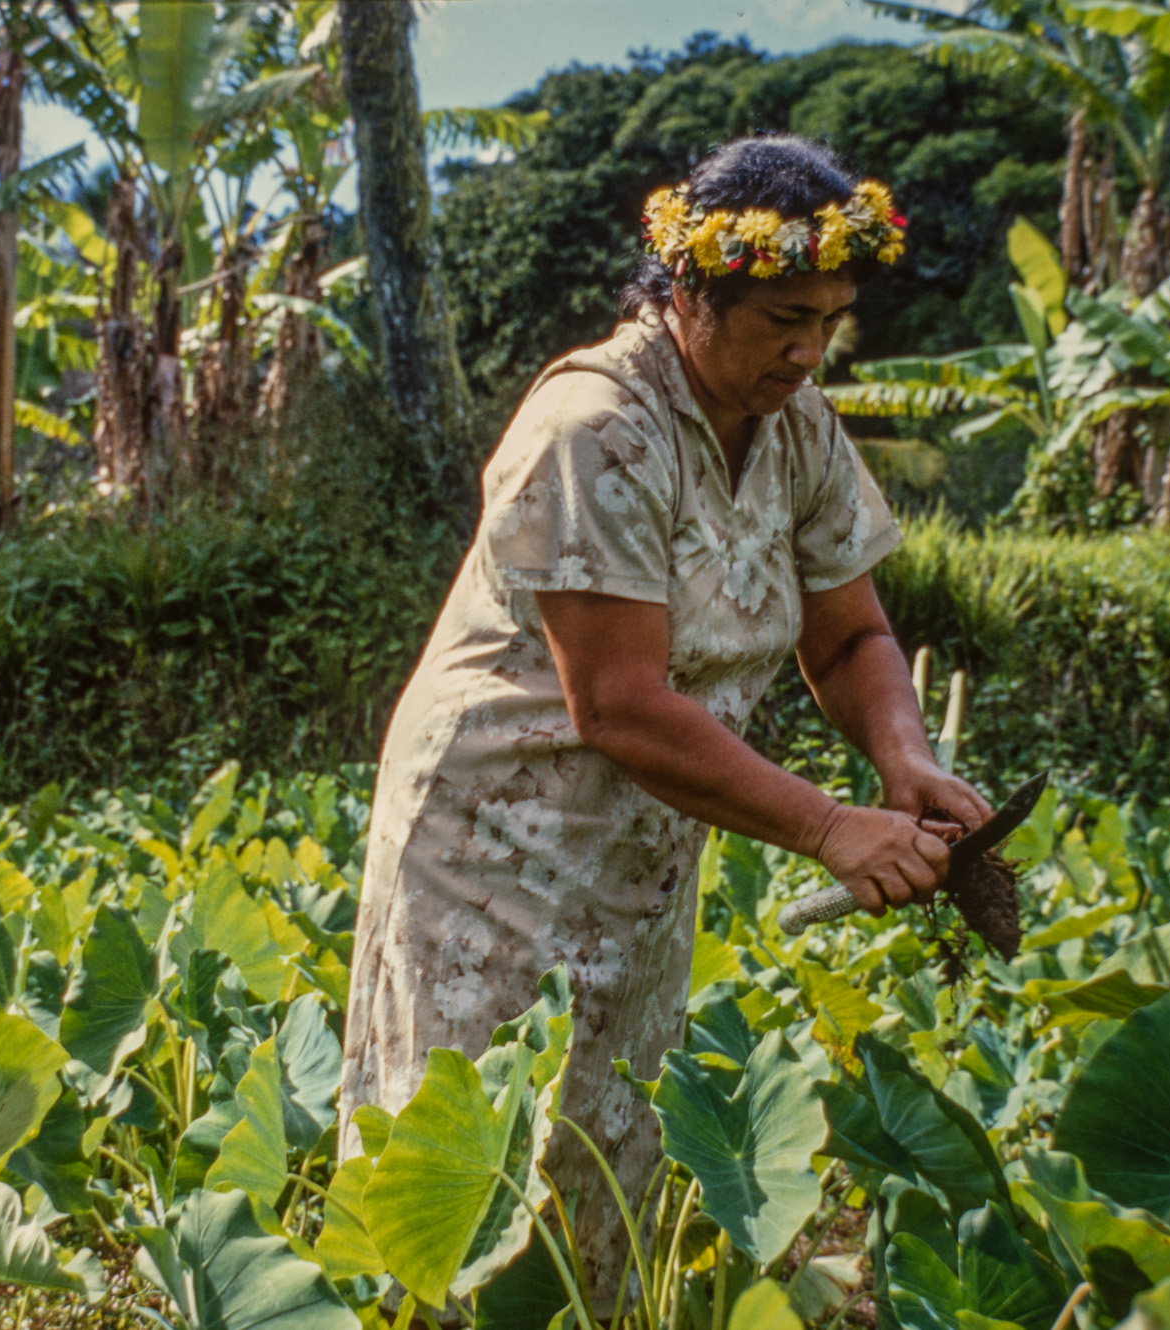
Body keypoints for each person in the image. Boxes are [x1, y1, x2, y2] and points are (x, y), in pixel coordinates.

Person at [337, 135, 992, 1301]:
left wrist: (904, 758)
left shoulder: (794, 427)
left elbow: (848, 635)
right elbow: (620, 704)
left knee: (607, 1142)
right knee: (465, 1166)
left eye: (829, 321)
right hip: (498, 840)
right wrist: (831, 827)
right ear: (689, 289)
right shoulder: (594, 425)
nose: (807, 350)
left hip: (644, 841)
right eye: (782, 317)